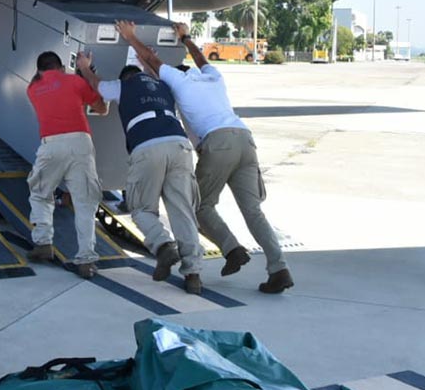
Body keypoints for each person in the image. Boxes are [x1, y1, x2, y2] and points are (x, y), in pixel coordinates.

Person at [118, 20, 294, 294]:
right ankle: (279, 268)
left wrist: (131, 38)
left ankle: (232, 248)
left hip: (218, 142)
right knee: (253, 210)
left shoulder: (178, 80)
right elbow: (200, 57)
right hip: (245, 139)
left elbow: (152, 60)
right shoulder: (213, 76)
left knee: (197, 206)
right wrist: (186, 38)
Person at [77, 50, 204, 294]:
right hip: (179, 146)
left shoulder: (123, 86)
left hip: (148, 147)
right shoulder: (162, 86)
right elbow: (152, 74)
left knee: (141, 208)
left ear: (125, 78)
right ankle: (194, 274)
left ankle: (163, 245)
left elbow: (97, 86)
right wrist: (146, 61)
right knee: (182, 211)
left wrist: (84, 67)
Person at [25, 50, 108, 279]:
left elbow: (43, 79)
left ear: (40, 71)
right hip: (80, 142)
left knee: (40, 193)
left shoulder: (32, 89)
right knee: (85, 202)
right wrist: (86, 70)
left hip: (50, 145)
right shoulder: (74, 81)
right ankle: (86, 261)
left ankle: (43, 244)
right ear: (61, 68)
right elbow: (101, 108)